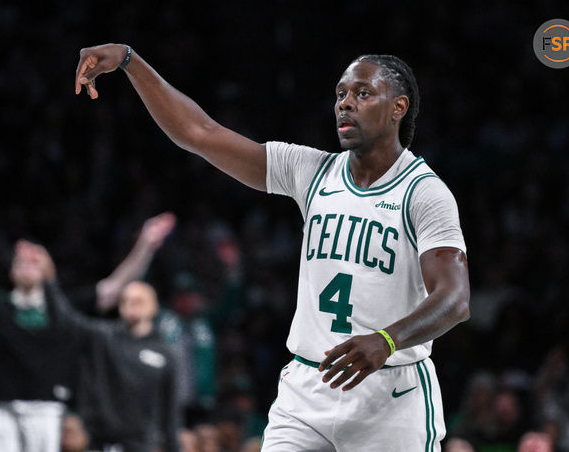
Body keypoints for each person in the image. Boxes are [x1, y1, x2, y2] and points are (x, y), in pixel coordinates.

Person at [74, 44, 470, 451]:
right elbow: (199, 133)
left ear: (398, 107)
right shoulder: (311, 171)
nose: (346, 104)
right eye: (340, 94)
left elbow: (455, 299)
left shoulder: (424, 193)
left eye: (363, 93)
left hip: (390, 395)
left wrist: (386, 340)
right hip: (307, 387)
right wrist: (129, 61)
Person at [0, 200, 175, 452]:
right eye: (21, 262)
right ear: (11, 271)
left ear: (48, 269)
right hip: (0, 408)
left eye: (34, 261)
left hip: (47, 409)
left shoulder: (63, 310)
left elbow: (114, 288)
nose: (27, 265)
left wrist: (146, 245)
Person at [33, 237, 179, 452]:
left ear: (154, 307)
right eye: (125, 300)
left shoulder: (165, 354)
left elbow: (171, 412)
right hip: (99, 443)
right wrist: (48, 280)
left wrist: (172, 447)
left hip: (141, 446)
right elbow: (64, 320)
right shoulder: (103, 337)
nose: (131, 306)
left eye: (139, 301)